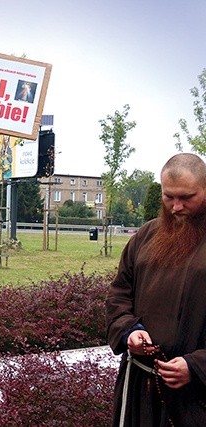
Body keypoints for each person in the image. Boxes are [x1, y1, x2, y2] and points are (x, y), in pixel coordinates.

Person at [106, 152, 206, 426]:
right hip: (140, 383)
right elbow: (119, 294)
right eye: (168, 196)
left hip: (196, 396)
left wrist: (197, 366)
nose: (176, 206)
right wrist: (130, 330)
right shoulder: (146, 235)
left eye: (187, 197)